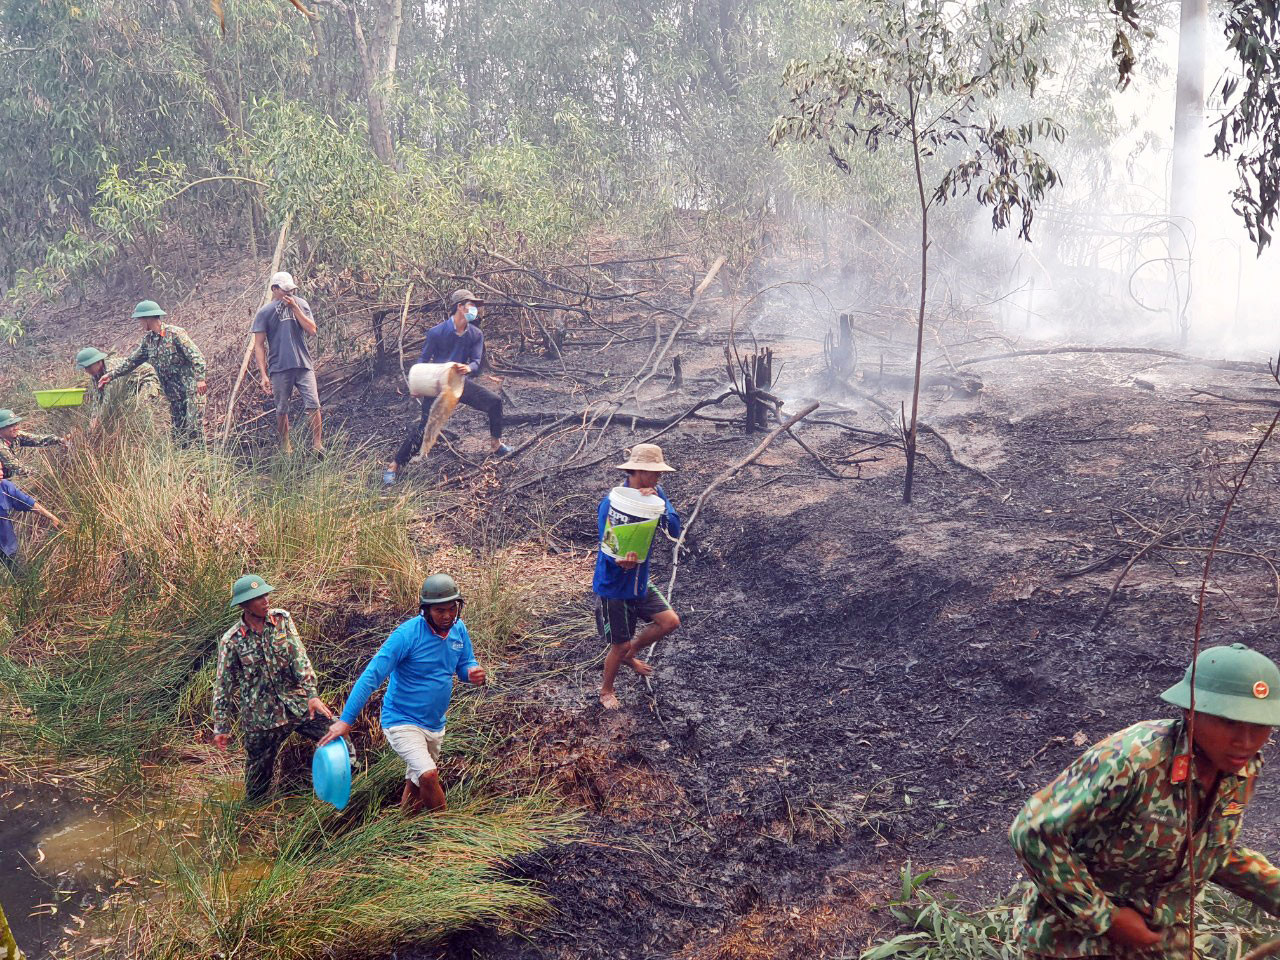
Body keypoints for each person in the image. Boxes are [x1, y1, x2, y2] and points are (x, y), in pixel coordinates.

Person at [1009, 642, 1280, 959]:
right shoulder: (1133, 761)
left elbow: (1210, 850)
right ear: (1190, 712)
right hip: (1072, 940)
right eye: (1229, 722)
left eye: (1260, 726)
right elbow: (1031, 832)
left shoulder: (1241, 769)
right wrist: (1106, 918)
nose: (1245, 742)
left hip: (1158, 939)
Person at [320, 574, 486, 814]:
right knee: (428, 775)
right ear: (425, 610)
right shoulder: (406, 635)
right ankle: (445, 831)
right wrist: (346, 720)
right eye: (440, 611)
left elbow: (464, 662)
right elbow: (371, 676)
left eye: (452, 609)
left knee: (417, 783)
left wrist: (471, 674)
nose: (448, 615)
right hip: (401, 720)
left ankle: (404, 822)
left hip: (435, 723)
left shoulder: (458, 630)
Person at [210, 574, 335, 805]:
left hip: (296, 707)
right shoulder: (232, 640)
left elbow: (300, 657)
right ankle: (252, 825)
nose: (265, 600)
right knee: (257, 788)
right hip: (261, 721)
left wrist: (312, 695)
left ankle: (342, 796)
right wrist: (221, 727)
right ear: (245, 605)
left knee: (336, 733)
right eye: (258, 598)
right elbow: (223, 687)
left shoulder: (282, 619)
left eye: (266, 594)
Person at [382, 288, 510, 486]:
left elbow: (477, 362)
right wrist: (417, 385)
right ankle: (394, 466)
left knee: (494, 402)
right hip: (436, 385)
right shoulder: (437, 332)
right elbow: (423, 360)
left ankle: (496, 444)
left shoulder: (476, 334)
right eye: (471, 304)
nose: (475, 309)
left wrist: (467, 367)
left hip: (459, 382)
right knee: (424, 428)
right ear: (459, 306)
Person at [593, 443, 682, 710]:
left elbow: (675, 529)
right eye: (655, 473)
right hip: (614, 585)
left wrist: (660, 503)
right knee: (616, 646)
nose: (658, 477)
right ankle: (606, 691)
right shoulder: (612, 503)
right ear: (639, 471)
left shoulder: (658, 494)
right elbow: (606, 544)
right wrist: (621, 562)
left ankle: (630, 652)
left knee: (670, 621)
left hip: (640, 580)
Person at [98, 300, 207, 445]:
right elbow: (131, 362)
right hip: (174, 396)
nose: (140, 324)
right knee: (178, 434)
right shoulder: (148, 341)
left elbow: (197, 357)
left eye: (140, 320)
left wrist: (200, 379)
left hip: (191, 391)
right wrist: (110, 375)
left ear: (148, 319)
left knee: (194, 431)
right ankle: (185, 465)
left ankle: (203, 464)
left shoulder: (175, 334)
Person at [251, 271, 323, 454]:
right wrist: (263, 374)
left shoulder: (301, 304)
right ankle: (286, 446)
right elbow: (259, 345)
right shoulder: (264, 313)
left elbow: (312, 330)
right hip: (279, 367)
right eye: (284, 290)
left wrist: (295, 309)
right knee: (282, 408)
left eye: (291, 290)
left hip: (303, 364)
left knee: (313, 403)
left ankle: (317, 445)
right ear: (274, 289)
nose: (289, 294)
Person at [0, 473, 62, 573]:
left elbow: (28, 502)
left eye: (1, 469)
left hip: (8, 547)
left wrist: (52, 517)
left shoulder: (5, 486)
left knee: (20, 576)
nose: (2, 473)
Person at [75, 346, 160, 416]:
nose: (87, 370)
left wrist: (98, 423)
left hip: (147, 378)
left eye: (89, 366)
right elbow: (97, 399)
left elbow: (108, 400)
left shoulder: (112, 370)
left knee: (141, 406)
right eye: (85, 368)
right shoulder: (95, 375)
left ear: (99, 362)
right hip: (131, 383)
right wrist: (93, 418)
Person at [0, 408, 65, 480]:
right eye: (11, 425)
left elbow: (38, 440)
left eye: (16, 424)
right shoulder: (1, 447)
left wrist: (60, 440)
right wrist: (41, 475)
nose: (16, 428)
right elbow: (17, 467)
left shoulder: (16, 435)